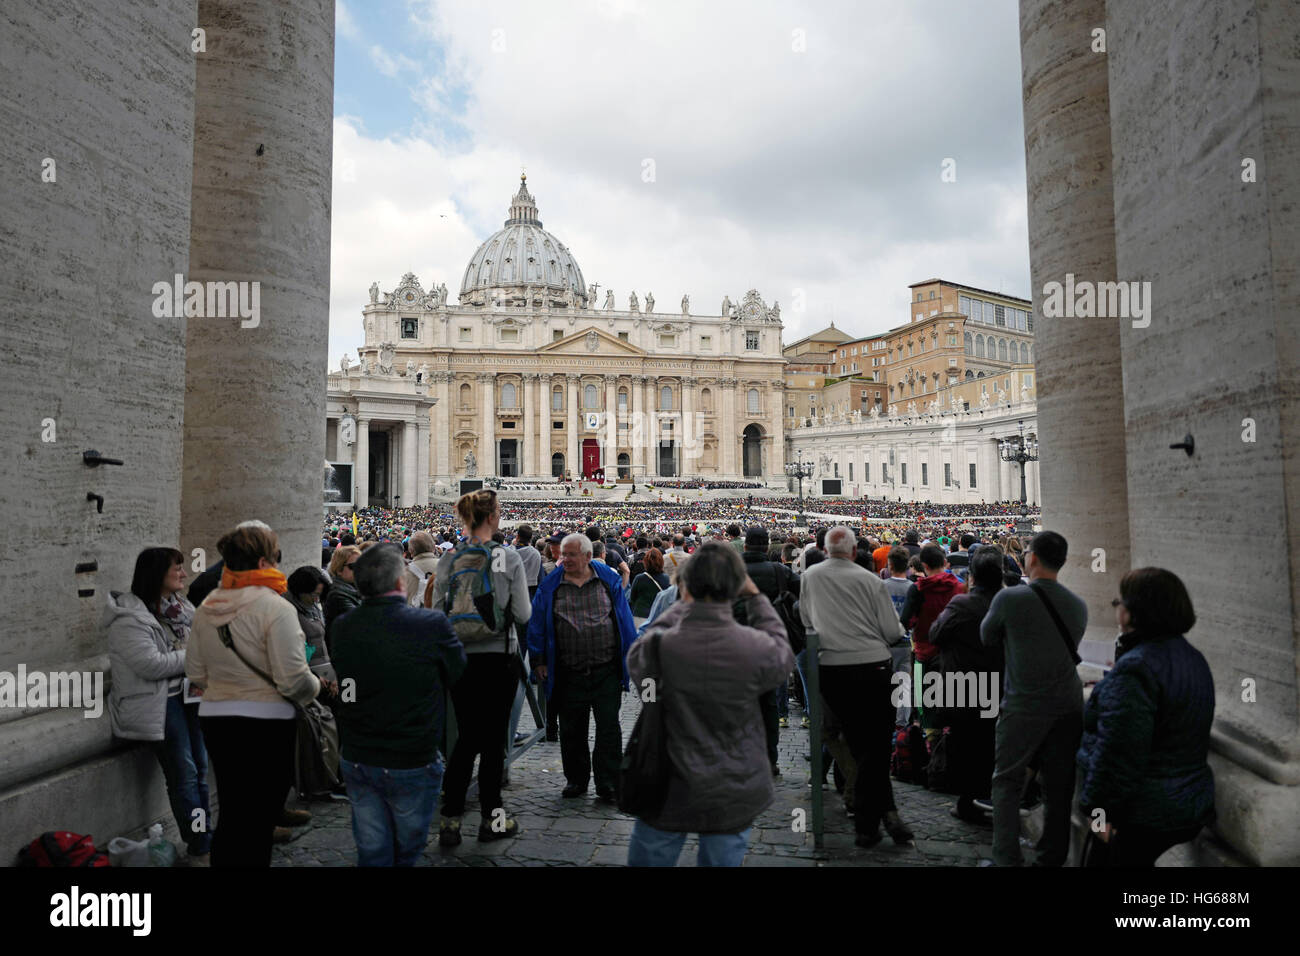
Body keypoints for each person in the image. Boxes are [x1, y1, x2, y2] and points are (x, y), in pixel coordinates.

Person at [627, 543, 794, 866]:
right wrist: (756, 597)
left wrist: (683, 599)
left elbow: (641, 652)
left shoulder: (660, 646)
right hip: (732, 782)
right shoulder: (755, 646)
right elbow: (782, 653)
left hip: (665, 780)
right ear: (736, 585)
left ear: (685, 585)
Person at [187, 522, 322, 867]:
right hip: (267, 721)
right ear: (264, 562)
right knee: (259, 817)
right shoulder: (276, 608)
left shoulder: (206, 607)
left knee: (232, 811)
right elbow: (293, 681)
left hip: (217, 717)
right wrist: (316, 686)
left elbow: (196, 673)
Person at [330, 544, 466, 865]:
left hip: (360, 753)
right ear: (400, 583)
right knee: (407, 848)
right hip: (412, 754)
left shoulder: (343, 626)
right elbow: (457, 672)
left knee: (373, 847)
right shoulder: (430, 626)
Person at [1077, 568, 1215, 867]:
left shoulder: (1137, 668)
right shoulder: (1193, 658)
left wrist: (1100, 812)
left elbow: (1119, 751)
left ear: (1132, 612)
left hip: (1139, 812)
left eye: (1119, 602)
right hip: (1184, 801)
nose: (1116, 608)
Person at [799, 526, 912, 847]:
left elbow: (807, 620)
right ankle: (870, 823)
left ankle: (885, 817)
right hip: (873, 668)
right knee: (874, 747)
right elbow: (893, 631)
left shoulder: (810, 577)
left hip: (832, 670)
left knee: (862, 746)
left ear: (823, 549)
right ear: (852, 552)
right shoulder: (871, 581)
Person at [980, 530, 1087, 867]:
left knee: (1007, 781)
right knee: (1059, 788)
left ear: (1033, 558)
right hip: (1069, 705)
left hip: (1024, 704)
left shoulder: (1010, 598)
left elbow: (987, 637)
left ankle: (1006, 859)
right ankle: (1050, 860)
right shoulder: (1078, 605)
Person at [433, 490, 532, 846]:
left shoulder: (449, 558)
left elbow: (436, 614)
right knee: (492, 742)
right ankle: (494, 819)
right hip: (497, 657)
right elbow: (522, 614)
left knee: (465, 739)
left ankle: (450, 820)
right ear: (492, 517)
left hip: (460, 658)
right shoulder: (505, 557)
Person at [105, 547, 211, 863]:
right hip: (161, 706)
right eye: (177, 567)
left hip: (190, 697)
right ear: (156, 574)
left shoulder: (181, 608)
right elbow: (151, 665)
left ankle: (205, 836)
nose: (184, 573)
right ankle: (200, 846)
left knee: (201, 772)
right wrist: (194, 656)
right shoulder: (129, 618)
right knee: (185, 775)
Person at [527, 532, 637, 800]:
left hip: (606, 667)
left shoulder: (607, 580)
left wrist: (632, 656)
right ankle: (576, 780)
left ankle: (608, 783)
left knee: (609, 727)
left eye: (571, 555)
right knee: (571, 728)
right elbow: (538, 624)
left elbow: (623, 620)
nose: (565, 559)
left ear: (588, 556)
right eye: (563, 554)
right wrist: (539, 660)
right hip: (567, 668)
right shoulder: (551, 584)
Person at [928, 546, 1006, 823]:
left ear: (972, 577)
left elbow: (935, 633)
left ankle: (968, 801)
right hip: (999, 685)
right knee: (990, 744)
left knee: (964, 744)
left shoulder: (963, 604)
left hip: (965, 685)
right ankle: (987, 798)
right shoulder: (1008, 603)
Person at [736, 526, 799, 761]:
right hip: (770, 646)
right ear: (766, 546)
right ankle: (770, 759)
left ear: (745, 545)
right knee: (768, 703)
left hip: (735, 648)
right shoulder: (780, 571)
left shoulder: (729, 571)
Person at [899, 544, 966, 745]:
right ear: (945, 563)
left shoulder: (918, 588)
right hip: (954, 654)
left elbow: (905, 622)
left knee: (924, 704)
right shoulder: (960, 586)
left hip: (924, 654)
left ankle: (931, 746)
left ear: (924, 565)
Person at [284, 566, 336, 686]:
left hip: (324, 673)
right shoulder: (286, 610)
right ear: (300, 590)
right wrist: (313, 676)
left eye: (319, 595)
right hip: (305, 678)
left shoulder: (314, 608)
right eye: (313, 595)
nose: (316, 599)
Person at [323, 544, 362, 651]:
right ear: (339, 569)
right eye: (354, 566)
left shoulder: (354, 588)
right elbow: (362, 622)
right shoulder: (337, 595)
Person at [629, 547, 670, 627]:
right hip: (659, 616)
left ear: (645, 562)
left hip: (640, 616)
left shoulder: (639, 578)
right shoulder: (667, 579)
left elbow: (632, 598)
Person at [402, 531, 441, 607]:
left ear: (411, 550)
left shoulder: (404, 573)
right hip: (440, 616)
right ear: (433, 547)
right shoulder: (445, 567)